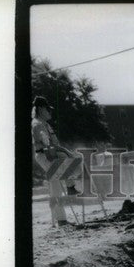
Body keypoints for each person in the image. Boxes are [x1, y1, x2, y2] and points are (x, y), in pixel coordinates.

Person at [31, 95, 82, 226]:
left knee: (55, 184)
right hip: (46, 155)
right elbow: (47, 145)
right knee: (60, 176)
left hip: (51, 154)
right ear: (41, 109)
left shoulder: (45, 124)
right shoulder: (37, 125)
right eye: (48, 109)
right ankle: (70, 187)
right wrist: (65, 151)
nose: (50, 112)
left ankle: (61, 219)